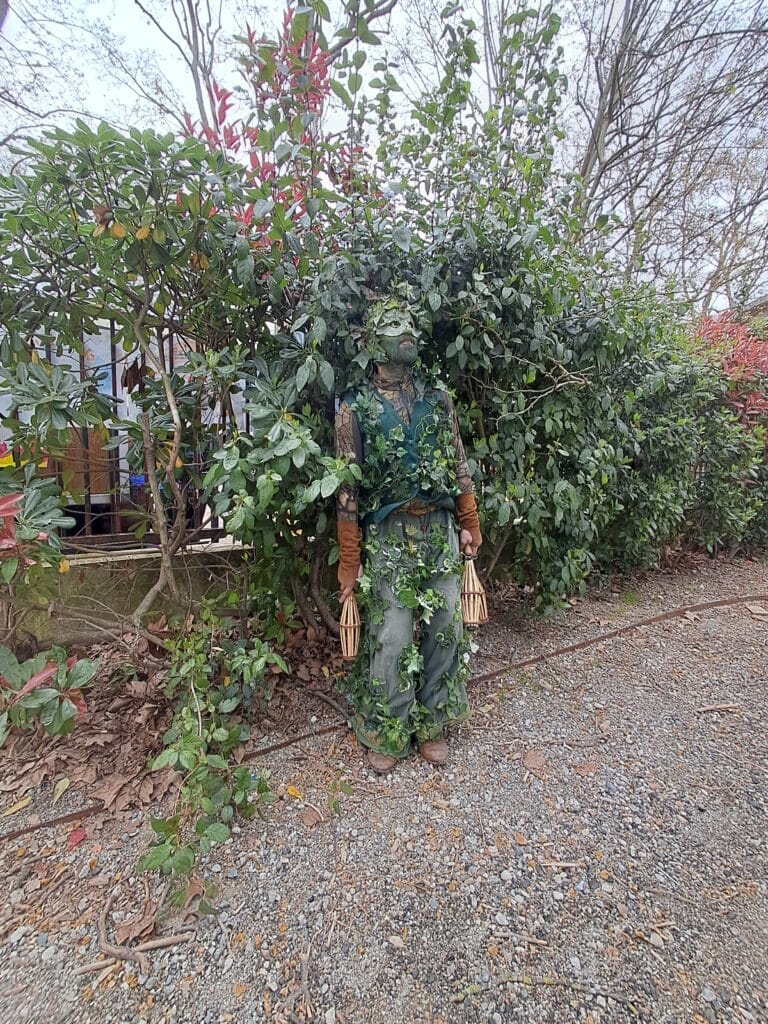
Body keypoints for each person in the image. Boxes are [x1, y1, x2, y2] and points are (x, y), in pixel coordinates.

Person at [335, 294, 482, 773]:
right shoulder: (352, 410)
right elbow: (347, 491)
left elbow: (458, 462)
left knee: (444, 629)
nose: (409, 330)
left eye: (411, 322)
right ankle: (388, 728)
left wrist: (469, 521)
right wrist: (349, 561)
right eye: (396, 323)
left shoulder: (438, 399)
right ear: (374, 340)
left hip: (438, 530)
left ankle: (433, 721)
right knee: (392, 634)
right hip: (390, 537)